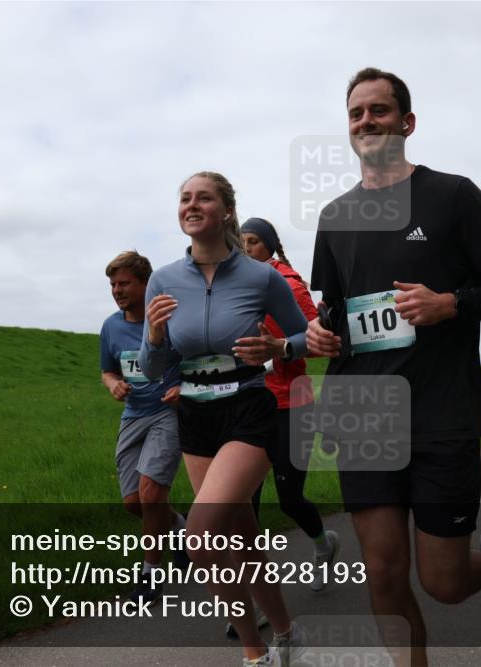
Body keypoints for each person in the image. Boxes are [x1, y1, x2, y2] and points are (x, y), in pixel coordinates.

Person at [306, 67, 481, 667]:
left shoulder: (453, 195)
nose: (366, 121)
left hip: (440, 411)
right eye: (356, 113)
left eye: (379, 110)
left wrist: (449, 303)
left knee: (443, 582)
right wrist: (317, 332)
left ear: (407, 123)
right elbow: (333, 309)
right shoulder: (334, 216)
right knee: (382, 573)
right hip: (362, 414)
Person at [140, 172, 308, 667]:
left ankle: (254, 655)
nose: (191, 205)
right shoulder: (164, 279)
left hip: (248, 409)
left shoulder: (262, 276)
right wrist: (152, 337)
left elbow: (309, 338)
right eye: (184, 198)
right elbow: (154, 370)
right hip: (194, 415)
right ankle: (284, 633)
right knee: (243, 540)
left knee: (201, 537)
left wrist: (278, 346)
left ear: (227, 211)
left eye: (203, 197)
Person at [241, 217, 340, 593]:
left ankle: (322, 545)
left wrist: (276, 356)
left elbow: (319, 340)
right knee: (243, 501)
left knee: (289, 499)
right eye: (241, 242)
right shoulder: (237, 285)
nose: (246, 248)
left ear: (269, 246)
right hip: (249, 403)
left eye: (252, 241)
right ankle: (254, 591)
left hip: (291, 404)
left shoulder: (289, 285)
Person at [99, 251, 188, 605]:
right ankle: (181, 531)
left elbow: (193, 359)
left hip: (167, 413)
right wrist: (112, 385)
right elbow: (108, 370)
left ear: (145, 284)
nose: (117, 290)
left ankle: (151, 579)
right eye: (112, 284)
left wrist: (184, 386)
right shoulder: (110, 326)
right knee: (134, 503)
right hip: (133, 416)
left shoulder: (169, 319)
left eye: (124, 283)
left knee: (151, 493)